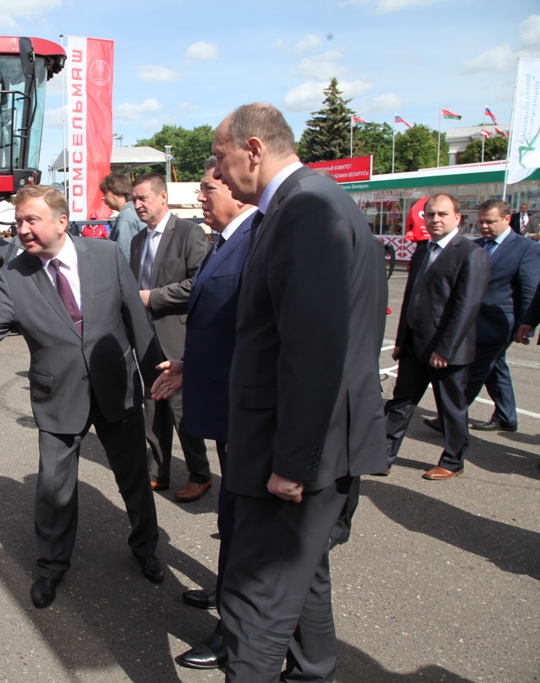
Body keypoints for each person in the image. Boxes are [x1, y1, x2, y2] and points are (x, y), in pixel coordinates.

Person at [211, 103, 388, 682]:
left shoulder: (306, 209)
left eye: (220, 156)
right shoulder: (302, 204)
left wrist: (293, 462)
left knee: (253, 606)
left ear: (254, 149)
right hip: (308, 446)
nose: (215, 170)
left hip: (296, 455)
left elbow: (315, 351)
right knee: (304, 579)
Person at [0, 185, 165, 609]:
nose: (22, 229)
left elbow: (136, 321)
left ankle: (146, 550)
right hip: (57, 394)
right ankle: (50, 567)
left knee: (134, 478)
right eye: (19, 221)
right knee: (53, 488)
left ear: (61, 222)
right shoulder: (14, 274)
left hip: (115, 386)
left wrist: (159, 373)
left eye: (32, 220)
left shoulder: (105, 257)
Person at [150, 156, 256, 670]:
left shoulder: (256, 239)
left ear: (237, 191)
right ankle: (226, 595)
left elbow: (249, 334)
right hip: (222, 398)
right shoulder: (225, 239)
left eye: (209, 189)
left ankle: (235, 631)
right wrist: (190, 366)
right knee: (235, 520)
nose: (201, 199)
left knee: (246, 523)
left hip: (246, 411)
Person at [383, 194, 489, 479]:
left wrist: (445, 349)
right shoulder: (422, 250)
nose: (434, 220)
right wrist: (402, 341)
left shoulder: (471, 253)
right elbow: (412, 298)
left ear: (458, 218)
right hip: (415, 346)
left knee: (450, 407)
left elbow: (466, 308)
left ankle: (453, 460)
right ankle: (383, 454)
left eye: (442, 214)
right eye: (430, 215)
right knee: (400, 402)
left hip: (446, 351)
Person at [129, 173, 213, 502]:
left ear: (162, 197)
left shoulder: (189, 234)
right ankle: (157, 472)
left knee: (183, 411)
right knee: (152, 408)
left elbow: (200, 284)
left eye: (143, 198)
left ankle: (200, 474)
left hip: (178, 335)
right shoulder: (137, 240)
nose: (137, 205)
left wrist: (154, 297)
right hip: (146, 337)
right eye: (134, 200)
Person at [423, 199, 539, 434]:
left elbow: (530, 289)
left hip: (498, 323)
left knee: (474, 371)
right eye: (481, 222)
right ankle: (506, 416)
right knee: (495, 369)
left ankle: (449, 418)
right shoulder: (475, 246)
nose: (484, 226)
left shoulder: (525, 248)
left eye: (490, 222)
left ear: (507, 219)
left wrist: (526, 324)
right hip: (472, 321)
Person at [101, 172, 145, 260]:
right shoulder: (132, 211)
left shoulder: (126, 217)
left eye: (105, 192)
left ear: (117, 191)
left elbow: (124, 257)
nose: (103, 197)